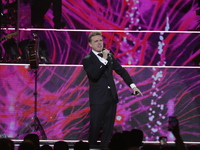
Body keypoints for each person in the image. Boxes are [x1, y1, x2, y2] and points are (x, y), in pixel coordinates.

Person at [82, 32, 143, 147]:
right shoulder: (87, 59)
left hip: (111, 97)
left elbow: (121, 71)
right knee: (95, 126)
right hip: (98, 99)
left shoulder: (109, 55)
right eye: (96, 41)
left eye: (100, 40)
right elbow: (94, 75)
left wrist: (133, 86)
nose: (99, 43)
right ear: (90, 44)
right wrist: (104, 59)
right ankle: (91, 147)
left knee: (108, 128)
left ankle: (104, 148)